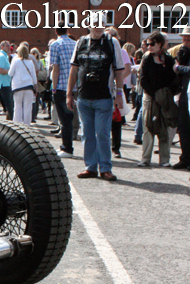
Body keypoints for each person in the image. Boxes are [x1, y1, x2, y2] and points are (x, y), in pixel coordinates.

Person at [68, 12, 125, 181]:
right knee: (87, 134)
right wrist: (69, 93)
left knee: (102, 133)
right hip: (84, 97)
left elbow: (119, 70)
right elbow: (74, 69)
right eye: (95, 23)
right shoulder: (81, 42)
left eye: (101, 24)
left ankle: (105, 168)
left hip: (104, 97)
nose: (98, 27)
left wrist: (120, 94)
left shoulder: (111, 42)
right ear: (89, 25)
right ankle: (90, 167)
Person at [137, 31, 176, 168]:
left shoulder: (168, 59)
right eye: (147, 44)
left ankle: (164, 159)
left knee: (164, 127)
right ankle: (145, 158)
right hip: (149, 96)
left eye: (152, 44)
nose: (149, 46)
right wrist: (154, 94)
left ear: (160, 44)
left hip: (164, 97)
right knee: (148, 127)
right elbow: (143, 79)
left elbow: (173, 78)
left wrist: (166, 93)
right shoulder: (146, 58)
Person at [50, 21, 78, 158]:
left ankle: (67, 147)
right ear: (67, 30)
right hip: (77, 85)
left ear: (56, 32)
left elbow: (56, 68)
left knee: (65, 119)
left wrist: (53, 88)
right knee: (75, 118)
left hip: (62, 85)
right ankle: (68, 146)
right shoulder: (75, 43)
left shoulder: (55, 45)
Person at [106, 27, 131, 159]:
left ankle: (116, 148)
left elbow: (127, 69)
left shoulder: (122, 51)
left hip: (116, 88)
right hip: (103, 88)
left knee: (116, 119)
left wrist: (117, 81)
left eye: (111, 36)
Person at [173, 26, 190, 170]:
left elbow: (180, 68)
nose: (185, 40)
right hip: (185, 93)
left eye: (188, 37)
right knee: (183, 127)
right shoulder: (183, 51)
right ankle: (185, 158)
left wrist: (179, 68)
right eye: (184, 37)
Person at [9, 44, 37, 125]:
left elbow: (10, 74)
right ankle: (27, 126)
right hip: (28, 87)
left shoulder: (15, 61)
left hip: (18, 87)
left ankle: (17, 126)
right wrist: (35, 85)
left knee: (17, 108)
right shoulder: (30, 62)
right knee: (27, 108)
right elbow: (34, 76)